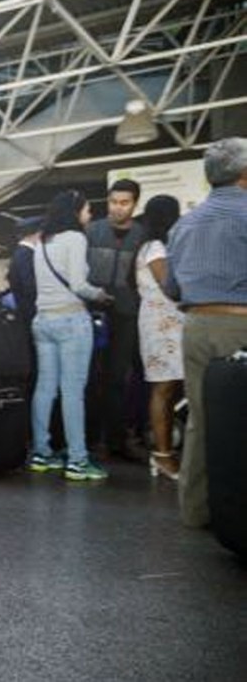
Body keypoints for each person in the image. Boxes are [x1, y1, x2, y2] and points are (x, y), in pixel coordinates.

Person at [165, 138, 247, 529]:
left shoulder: (185, 223)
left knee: (200, 417)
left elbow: (173, 288)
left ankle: (196, 510)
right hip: (242, 325)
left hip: (196, 325)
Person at [27, 190, 113, 482]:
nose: (89, 216)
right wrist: (100, 295)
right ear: (75, 212)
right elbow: (79, 284)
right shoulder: (75, 239)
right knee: (73, 391)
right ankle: (77, 459)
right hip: (71, 320)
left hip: (43, 322)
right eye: (87, 211)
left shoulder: (43, 242)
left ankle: (41, 452)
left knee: (45, 388)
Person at [86, 179, 148, 460]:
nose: (117, 208)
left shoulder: (143, 236)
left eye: (124, 203)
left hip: (127, 315)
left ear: (135, 204)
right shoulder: (91, 231)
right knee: (89, 376)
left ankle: (115, 439)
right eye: (113, 202)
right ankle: (88, 437)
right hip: (92, 311)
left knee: (118, 378)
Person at [135, 195, 185, 482]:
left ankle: (166, 451)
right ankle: (163, 454)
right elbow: (170, 287)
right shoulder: (155, 248)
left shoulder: (154, 247)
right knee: (164, 388)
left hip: (166, 324)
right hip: (163, 325)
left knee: (168, 388)